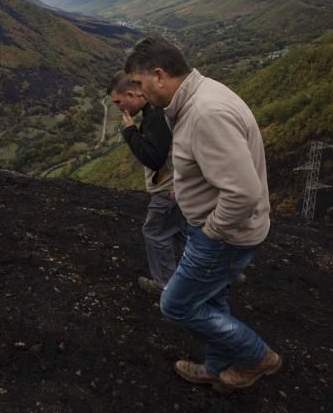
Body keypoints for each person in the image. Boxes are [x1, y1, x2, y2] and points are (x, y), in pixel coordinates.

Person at [125, 35, 281, 392]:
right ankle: (217, 366)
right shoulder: (202, 96)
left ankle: (256, 356)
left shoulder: (205, 114)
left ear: (160, 75)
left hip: (222, 236)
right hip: (223, 230)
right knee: (210, 299)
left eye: (140, 83)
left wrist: (211, 231)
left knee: (176, 305)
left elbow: (243, 192)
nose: (140, 93)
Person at [107, 71, 185, 295]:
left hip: (168, 189)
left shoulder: (155, 115)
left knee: (155, 232)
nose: (118, 108)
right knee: (183, 232)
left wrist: (130, 132)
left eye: (118, 102)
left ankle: (167, 288)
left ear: (131, 94)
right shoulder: (156, 110)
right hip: (179, 185)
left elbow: (153, 158)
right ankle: (212, 274)